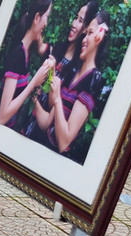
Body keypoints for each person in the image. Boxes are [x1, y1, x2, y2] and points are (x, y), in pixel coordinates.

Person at [31, 8, 109, 157]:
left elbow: (64, 142)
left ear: (100, 36)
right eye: (85, 34)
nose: (84, 39)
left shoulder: (93, 80)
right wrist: (36, 91)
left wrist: (58, 100)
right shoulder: (72, 72)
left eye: (90, 33)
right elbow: (48, 119)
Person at [0, 0, 53, 129]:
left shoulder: (26, 51)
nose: (46, 23)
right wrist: (33, 83)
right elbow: (2, 116)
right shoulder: (18, 54)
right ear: (37, 17)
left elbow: (42, 49)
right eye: (47, 17)